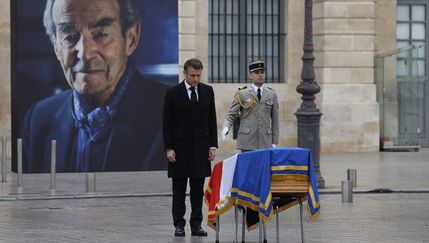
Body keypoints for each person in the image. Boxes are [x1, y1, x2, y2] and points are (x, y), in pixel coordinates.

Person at [22, 0, 169, 172]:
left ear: (131, 38)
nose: (85, 54)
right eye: (69, 37)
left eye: (101, 34)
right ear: (56, 46)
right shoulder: (38, 120)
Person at [162, 58, 218, 237]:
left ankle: (196, 225)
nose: (195, 79)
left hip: (200, 149)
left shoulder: (208, 91)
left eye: (198, 76)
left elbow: (212, 119)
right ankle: (179, 224)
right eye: (192, 75)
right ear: (185, 73)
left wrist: (212, 145)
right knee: (179, 190)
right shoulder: (173, 93)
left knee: (197, 190)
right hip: (179, 149)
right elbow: (166, 123)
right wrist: (169, 148)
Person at [221, 59, 279, 151]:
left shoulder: (272, 94)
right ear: (251, 75)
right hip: (247, 142)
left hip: (265, 142)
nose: (260, 75)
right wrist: (226, 127)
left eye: (262, 72)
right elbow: (231, 114)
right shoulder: (242, 93)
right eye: (256, 72)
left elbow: (275, 120)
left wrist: (274, 141)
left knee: (264, 165)